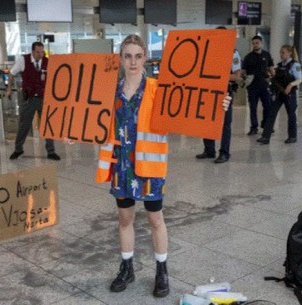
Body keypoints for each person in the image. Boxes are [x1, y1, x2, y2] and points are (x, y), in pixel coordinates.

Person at [95, 34, 230, 298]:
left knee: (156, 218)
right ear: (120, 59)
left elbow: (189, 109)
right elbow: (93, 123)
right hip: (121, 166)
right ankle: (127, 267)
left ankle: (161, 270)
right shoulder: (110, 91)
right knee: (125, 218)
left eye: (137, 55)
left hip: (149, 166)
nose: (133, 61)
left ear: (145, 57)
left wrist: (218, 105)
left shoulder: (160, 89)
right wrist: (74, 133)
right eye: (127, 56)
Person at [5, 41, 60, 161]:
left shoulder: (47, 61)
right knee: (24, 125)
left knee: (47, 125)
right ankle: (18, 150)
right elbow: (11, 73)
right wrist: (9, 89)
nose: (41, 55)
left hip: (43, 98)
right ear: (33, 51)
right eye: (38, 52)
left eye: (42, 52)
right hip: (28, 99)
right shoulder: (23, 60)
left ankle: (51, 151)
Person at [196, 26, 242, 164]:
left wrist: (217, 76)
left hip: (225, 91)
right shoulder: (210, 52)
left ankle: (224, 153)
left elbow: (236, 76)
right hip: (209, 90)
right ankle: (209, 150)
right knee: (207, 121)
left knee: (225, 123)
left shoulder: (233, 54)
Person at [257, 45, 302, 145]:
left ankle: (292, 136)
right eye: (280, 52)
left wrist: (290, 85)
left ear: (290, 53)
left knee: (291, 115)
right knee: (271, 113)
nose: (281, 55)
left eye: (283, 52)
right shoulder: (280, 65)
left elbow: (299, 79)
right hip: (279, 93)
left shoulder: (295, 65)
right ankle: (265, 136)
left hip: (290, 94)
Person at [242, 35, 275, 135]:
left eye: (257, 43)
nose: (255, 45)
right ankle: (254, 127)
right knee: (253, 108)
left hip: (264, 86)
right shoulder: (248, 57)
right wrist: (244, 80)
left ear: (261, 43)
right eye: (253, 43)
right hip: (252, 87)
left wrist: (273, 77)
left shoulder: (266, 55)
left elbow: (271, 69)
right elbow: (243, 72)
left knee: (268, 107)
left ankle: (265, 125)